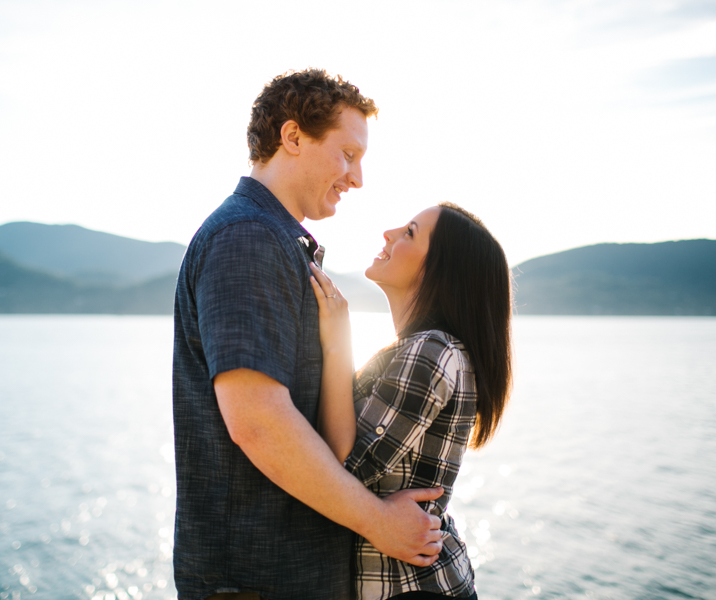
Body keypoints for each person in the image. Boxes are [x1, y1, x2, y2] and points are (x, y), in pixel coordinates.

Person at [172, 69, 446, 600]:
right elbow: (258, 423)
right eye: (347, 154)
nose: (358, 177)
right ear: (293, 137)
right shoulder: (247, 238)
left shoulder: (278, 241)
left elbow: (324, 438)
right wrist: (379, 522)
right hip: (257, 580)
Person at [310, 202, 513, 600]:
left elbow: (338, 473)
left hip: (412, 588)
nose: (389, 233)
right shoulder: (420, 349)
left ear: (439, 271)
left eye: (409, 233)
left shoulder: (432, 351)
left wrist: (336, 344)